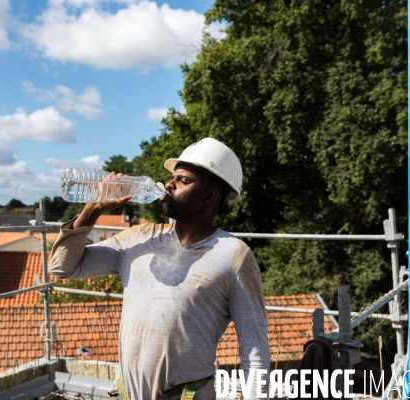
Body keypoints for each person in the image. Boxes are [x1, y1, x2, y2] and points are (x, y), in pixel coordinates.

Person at [49, 137, 270, 400]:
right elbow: (63, 267)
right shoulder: (137, 238)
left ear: (210, 195)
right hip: (126, 394)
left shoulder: (233, 256)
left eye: (183, 180)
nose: (169, 184)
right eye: (172, 177)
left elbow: (253, 345)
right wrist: (93, 208)